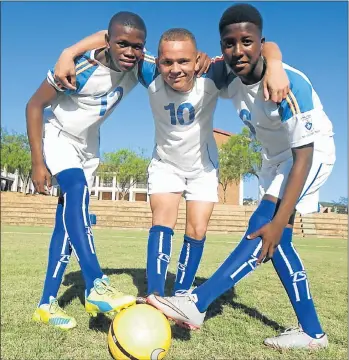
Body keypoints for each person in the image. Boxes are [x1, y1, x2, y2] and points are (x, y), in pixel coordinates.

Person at [52, 23, 289, 301]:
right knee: (162, 222)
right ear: (158, 60)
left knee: (197, 230)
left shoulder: (213, 70)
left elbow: (263, 46)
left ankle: (180, 295)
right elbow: (109, 38)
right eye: (167, 61)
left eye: (183, 61)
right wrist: (69, 52)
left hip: (203, 167)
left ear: (196, 59)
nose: (175, 69)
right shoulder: (148, 70)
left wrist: (275, 64)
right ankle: (154, 294)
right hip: (165, 164)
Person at [146, 4, 335, 351]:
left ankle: (196, 303)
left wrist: (279, 219)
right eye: (229, 44)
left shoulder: (288, 84)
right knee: (279, 245)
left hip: (309, 156)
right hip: (276, 161)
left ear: (261, 43)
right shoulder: (229, 73)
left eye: (247, 42)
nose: (238, 51)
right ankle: (312, 333)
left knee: (263, 226)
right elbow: (199, 66)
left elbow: (304, 156)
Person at [26, 11, 150, 330]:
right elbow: (33, 105)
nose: (130, 52)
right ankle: (97, 284)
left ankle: (45, 305)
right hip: (58, 136)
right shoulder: (80, 68)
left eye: (137, 47)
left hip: (89, 145)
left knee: (66, 225)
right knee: (77, 192)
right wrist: (38, 162)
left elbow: (168, 58)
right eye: (121, 44)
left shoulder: (137, 63)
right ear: (108, 42)